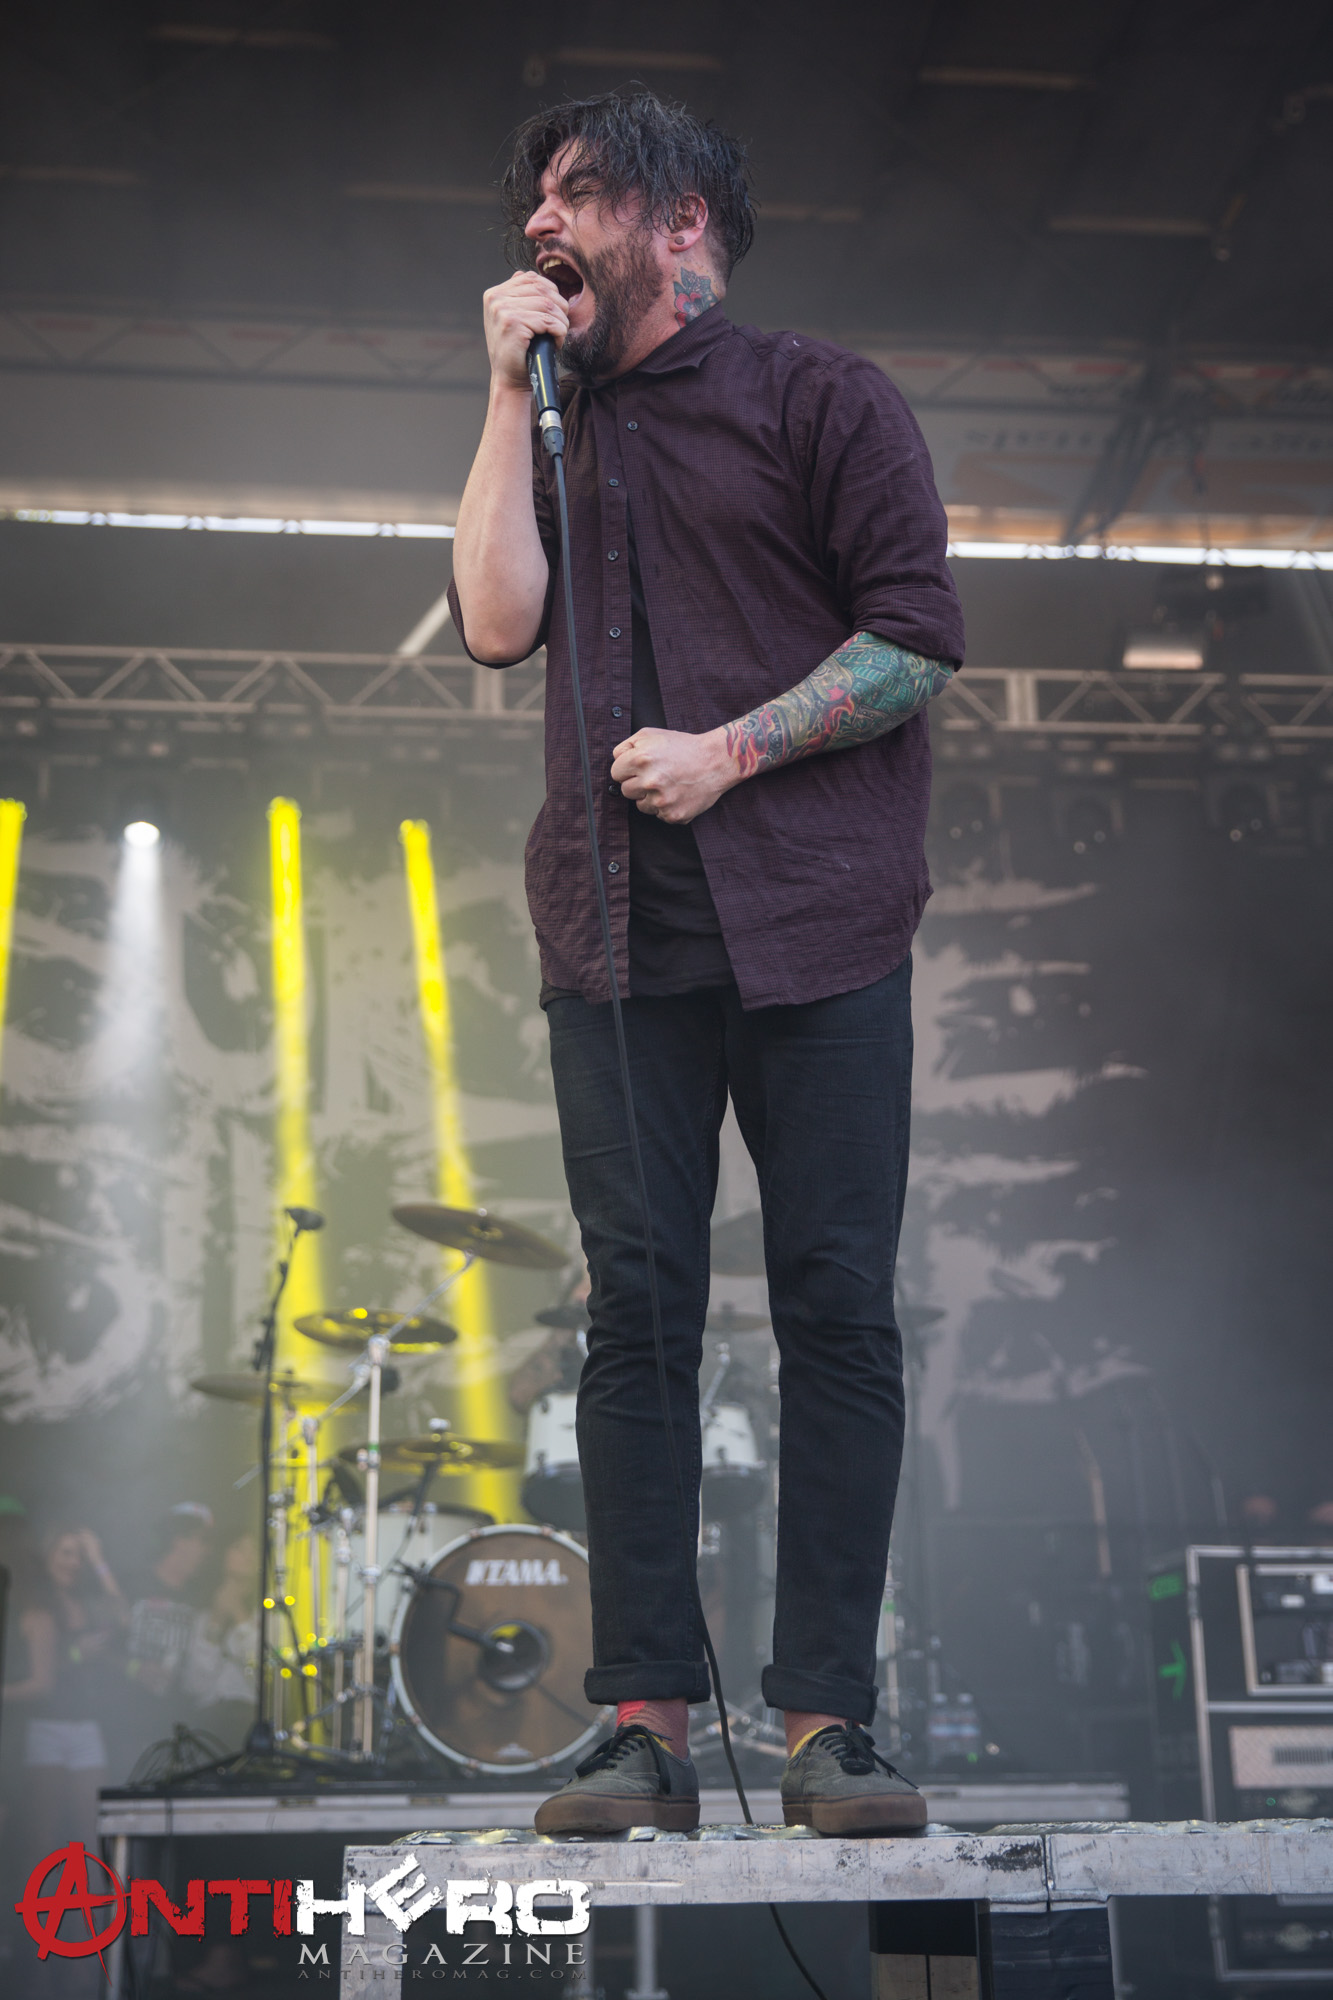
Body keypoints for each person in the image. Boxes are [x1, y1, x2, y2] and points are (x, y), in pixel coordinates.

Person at [450, 92, 964, 1837]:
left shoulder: (823, 398)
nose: (543, 223)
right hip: (615, 936)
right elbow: (495, 623)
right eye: (535, 199)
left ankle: (827, 1726)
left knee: (833, 1309)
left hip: (819, 923)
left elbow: (913, 640)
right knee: (636, 1316)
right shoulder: (551, 418)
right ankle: (644, 1729)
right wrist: (500, 394)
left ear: (680, 227)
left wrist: (730, 751)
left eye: (581, 194)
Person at [8, 1526, 127, 1870]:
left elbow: (123, 1617)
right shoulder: (35, 1608)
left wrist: (99, 1559)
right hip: (45, 1727)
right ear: (48, 1557)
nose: (74, 1563)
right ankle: (38, 1905)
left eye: (80, 1556)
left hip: (86, 1727)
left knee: (90, 1836)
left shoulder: (89, 1605)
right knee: (43, 1838)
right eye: (66, 1553)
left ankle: (91, 1906)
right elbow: (39, 1675)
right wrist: (75, 1655)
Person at [182, 1533, 260, 1750]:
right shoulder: (203, 1616)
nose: (249, 1555)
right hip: (206, 1725)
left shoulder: (270, 1614)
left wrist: (239, 1614)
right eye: (239, 1547)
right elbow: (195, 1685)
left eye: (254, 1549)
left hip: (249, 1723)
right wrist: (216, 1622)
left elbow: (263, 1672)